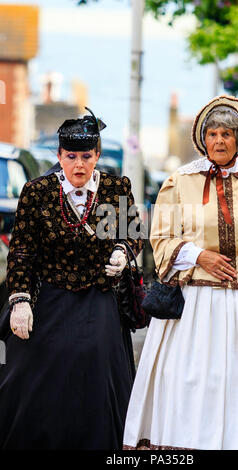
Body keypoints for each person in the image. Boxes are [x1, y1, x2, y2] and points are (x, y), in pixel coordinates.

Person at [123, 95, 238, 450]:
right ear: (203, 139)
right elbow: (161, 236)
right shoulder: (179, 181)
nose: (219, 140)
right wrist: (199, 256)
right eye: (213, 134)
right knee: (194, 377)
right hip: (195, 302)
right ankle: (189, 442)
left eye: (227, 134)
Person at [0, 108, 143, 450]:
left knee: (95, 368)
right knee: (39, 372)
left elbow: (133, 233)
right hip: (49, 295)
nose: (79, 165)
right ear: (60, 156)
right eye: (71, 157)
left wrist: (123, 251)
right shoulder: (38, 192)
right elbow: (21, 251)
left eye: (87, 157)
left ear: (97, 156)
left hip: (98, 295)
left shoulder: (113, 188)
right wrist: (20, 299)